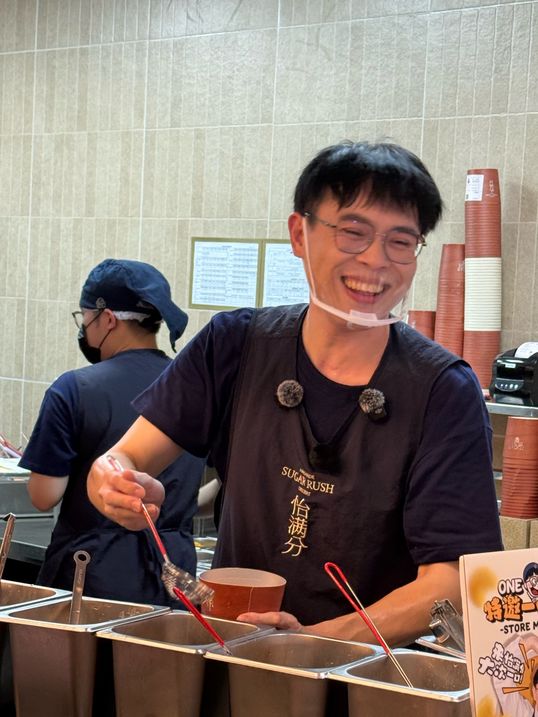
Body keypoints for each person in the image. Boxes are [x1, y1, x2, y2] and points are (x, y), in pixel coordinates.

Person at [87, 141, 503, 645]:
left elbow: (453, 582)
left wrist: (309, 644)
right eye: (353, 232)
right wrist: (115, 484)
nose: (376, 260)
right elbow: (124, 458)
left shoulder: (442, 390)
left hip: (364, 672)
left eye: (401, 241)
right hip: (229, 656)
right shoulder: (235, 344)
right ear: (299, 234)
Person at [21, 258, 206, 607]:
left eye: (85, 317)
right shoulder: (192, 388)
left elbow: (43, 496)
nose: (84, 329)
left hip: (92, 578)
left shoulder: (74, 389)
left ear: (107, 319)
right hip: (173, 580)